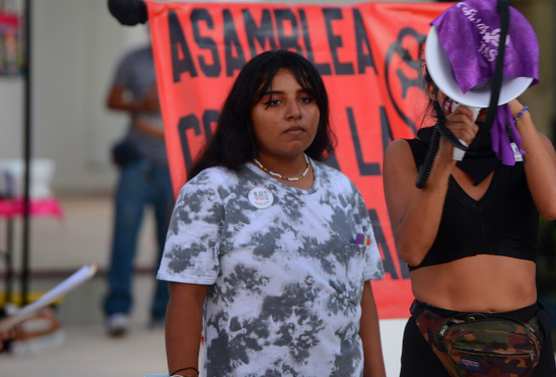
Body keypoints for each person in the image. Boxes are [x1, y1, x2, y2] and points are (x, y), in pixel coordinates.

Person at [157, 50, 387, 377]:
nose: (295, 113)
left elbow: (362, 298)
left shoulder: (342, 190)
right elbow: (185, 298)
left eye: (306, 99)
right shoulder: (213, 189)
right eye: (274, 102)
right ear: (244, 114)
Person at [383, 0, 556, 376]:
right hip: (437, 346)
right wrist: (443, 159)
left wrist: (518, 111)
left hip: (524, 343)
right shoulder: (407, 154)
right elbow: (412, 249)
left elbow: (555, 206)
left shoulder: (533, 146)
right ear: (433, 81)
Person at [103, 38, 173, 336]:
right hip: (138, 158)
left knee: (170, 240)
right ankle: (118, 308)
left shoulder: (189, 60)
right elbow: (112, 99)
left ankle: (163, 311)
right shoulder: (133, 59)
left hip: (173, 162)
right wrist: (140, 104)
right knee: (125, 232)